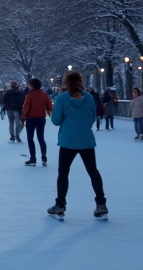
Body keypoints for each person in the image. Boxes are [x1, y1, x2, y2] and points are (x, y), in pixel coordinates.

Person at [47, 71, 107, 221]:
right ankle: (101, 204)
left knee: (63, 173)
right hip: (86, 139)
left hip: (68, 139)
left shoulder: (61, 98)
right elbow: (92, 117)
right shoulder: (89, 98)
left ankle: (60, 204)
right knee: (93, 171)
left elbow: (55, 120)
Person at [22, 78, 53, 167]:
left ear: (32, 85)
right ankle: (44, 156)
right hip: (41, 118)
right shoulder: (44, 95)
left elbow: (26, 107)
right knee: (41, 138)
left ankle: (33, 158)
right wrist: (48, 112)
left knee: (30, 139)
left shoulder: (29, 95)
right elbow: (49, 106)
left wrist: (24, 117)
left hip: (31, 119)